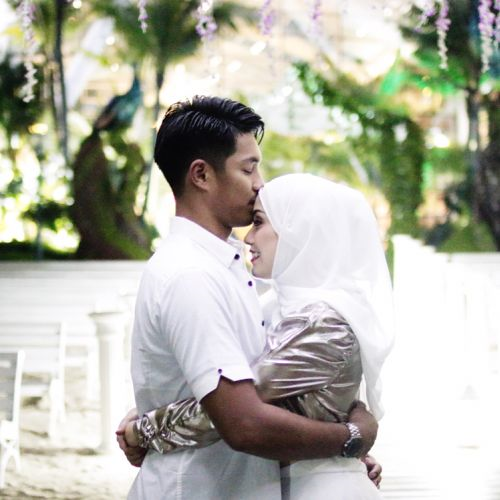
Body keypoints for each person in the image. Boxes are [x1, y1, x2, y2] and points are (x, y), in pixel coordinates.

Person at [119, 96, 381, 500]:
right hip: (196, 489)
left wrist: (334, 459)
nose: (260, 183)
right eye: (248, 168)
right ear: (201, 175)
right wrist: (350, 438)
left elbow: (268, 388)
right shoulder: (192, 275)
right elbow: (243, 422)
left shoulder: (227, 267)